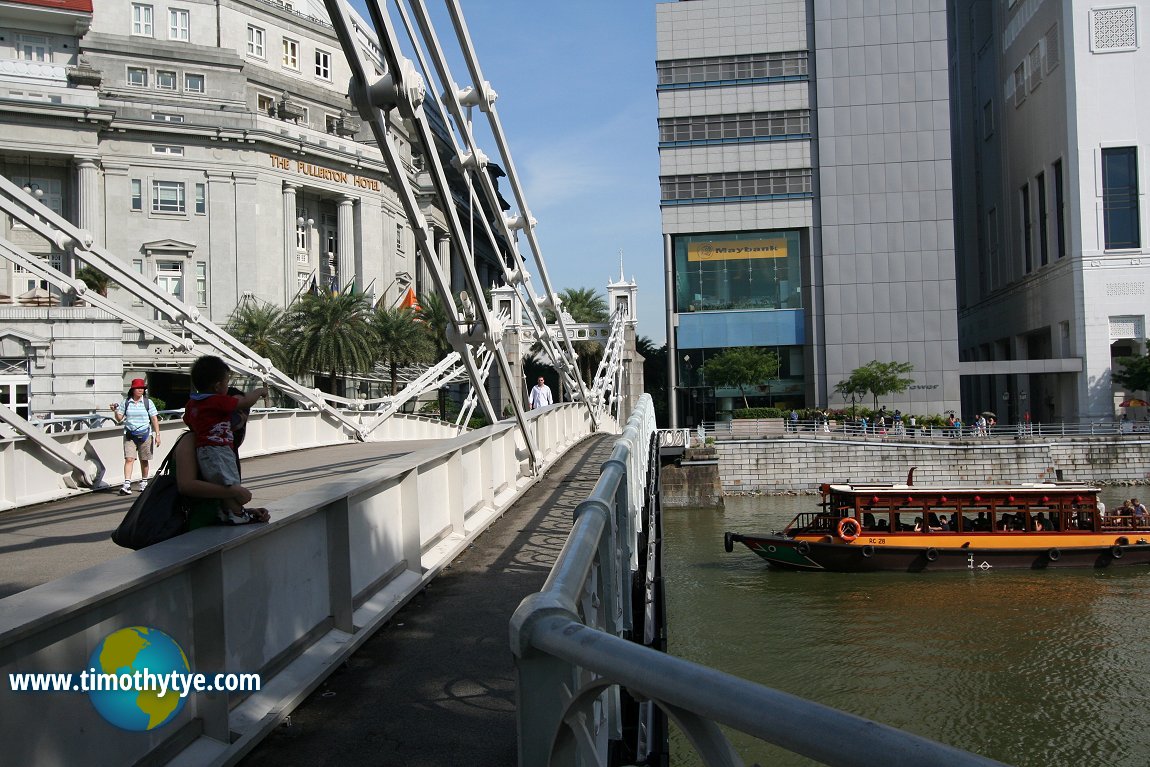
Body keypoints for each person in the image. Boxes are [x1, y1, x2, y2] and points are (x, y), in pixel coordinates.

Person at [183, 356, 268, 524]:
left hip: (204, 449)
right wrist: (259, 392)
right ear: (218, 386)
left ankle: (228, 512)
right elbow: (244, 402)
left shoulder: (193, 403)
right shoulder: (217, 400)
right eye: (226, 382)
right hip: (219, 449)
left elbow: (190, 420)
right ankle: (237, 514)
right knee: (230, 484)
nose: (227, 386)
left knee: (223, 480)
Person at [110, 377, 161, 495]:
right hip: (130, 434)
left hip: (145, 434)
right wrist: (115, 411)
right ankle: (127, 484)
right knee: (129, 459)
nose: (140, 390)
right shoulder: (126, 402)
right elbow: (119, 419)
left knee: (144, 460)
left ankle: (144, 482)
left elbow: (154, 418)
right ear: (132, 390)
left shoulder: (148, 402)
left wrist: (158, 435)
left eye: (142, 388)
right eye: (138, 388)